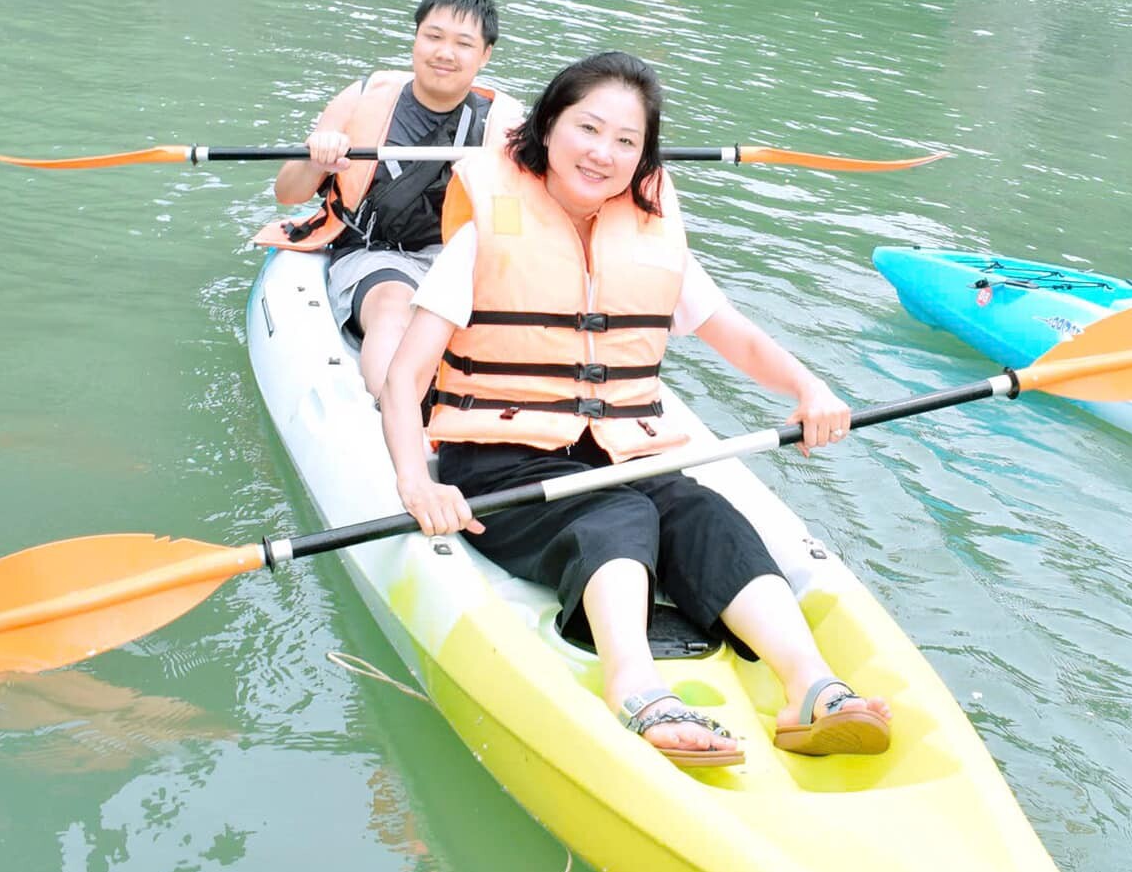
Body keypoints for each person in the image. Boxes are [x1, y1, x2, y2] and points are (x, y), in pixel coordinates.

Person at [379, 51, 892, 768]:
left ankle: (808, 686)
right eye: (588, 129)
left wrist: (810, 390)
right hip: (499, 466)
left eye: (627, 141)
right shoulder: (487, 228)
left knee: (700, 511)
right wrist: (416, 482)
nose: (603, 154)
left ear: (644, 155)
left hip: (618, 451)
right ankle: (634, 686)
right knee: (620, 514)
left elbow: (731, 332)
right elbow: (405, 376)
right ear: (548, 126)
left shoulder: (649, 229)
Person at [256, 0, 521, 399]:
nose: (445, 53)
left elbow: (514, 222)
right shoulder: (361, 101)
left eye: (463, 43)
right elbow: (287, 193)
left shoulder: (502, 123)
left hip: (455, 258)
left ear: (484, 54)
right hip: (372, 253)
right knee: (396, 307)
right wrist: (316, 157)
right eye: (433, 37)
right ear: (416, 38)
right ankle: (399, 414)